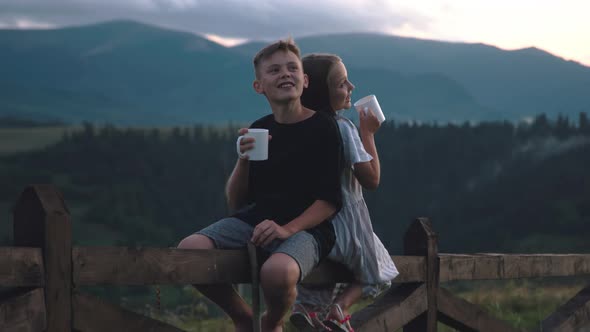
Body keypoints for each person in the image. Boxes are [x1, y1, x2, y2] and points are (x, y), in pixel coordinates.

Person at [177, 39, 344, 332]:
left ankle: (271, 323)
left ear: (304, 81)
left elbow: (329, 201)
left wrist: (286, 229)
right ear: (259, 86)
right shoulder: (260, 127)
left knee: (277, 273)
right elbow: (237, 202)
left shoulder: (324, 127)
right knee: (189, 250)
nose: (285, 74)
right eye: (274, 70)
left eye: (293, 68)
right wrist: (243, 160)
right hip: (258, 219)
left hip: (309, 229)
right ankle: (243, 317)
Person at [289, 53, 399, 332]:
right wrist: (368, 133)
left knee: (322, 280)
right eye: (341, 84)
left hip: (313, 229)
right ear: (320, 92)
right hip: (348, 228)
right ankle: (341, 309)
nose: (351, 86)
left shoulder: (300, 128)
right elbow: (371, 178)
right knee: (377, 267)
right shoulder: (342, 128)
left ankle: (308, 310)